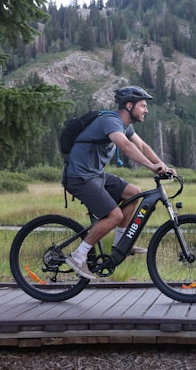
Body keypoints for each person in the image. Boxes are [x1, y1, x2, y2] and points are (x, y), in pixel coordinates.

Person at [63, 85, 175, 280]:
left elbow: (142, 145)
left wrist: (162, 165)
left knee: (133, 192)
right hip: (79, 178)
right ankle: (78, 256)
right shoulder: (110, 121)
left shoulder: (125, 125)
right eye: (143, 106)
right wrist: (151, 166)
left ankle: (121, 244)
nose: (146, 110)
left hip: (95, 175)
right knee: (114, 215)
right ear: (129, 106)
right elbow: (125, 146)